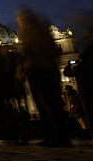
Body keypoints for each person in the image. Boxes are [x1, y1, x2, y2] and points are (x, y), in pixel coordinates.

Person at [17, 10, 70, 147]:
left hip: (41, 71)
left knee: (47, 103)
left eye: (21, 19)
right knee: (49, 103)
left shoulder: (33, 36)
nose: (20, 22)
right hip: (45, 70)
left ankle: (55, 136)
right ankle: (56, 135)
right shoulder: (39, 33)